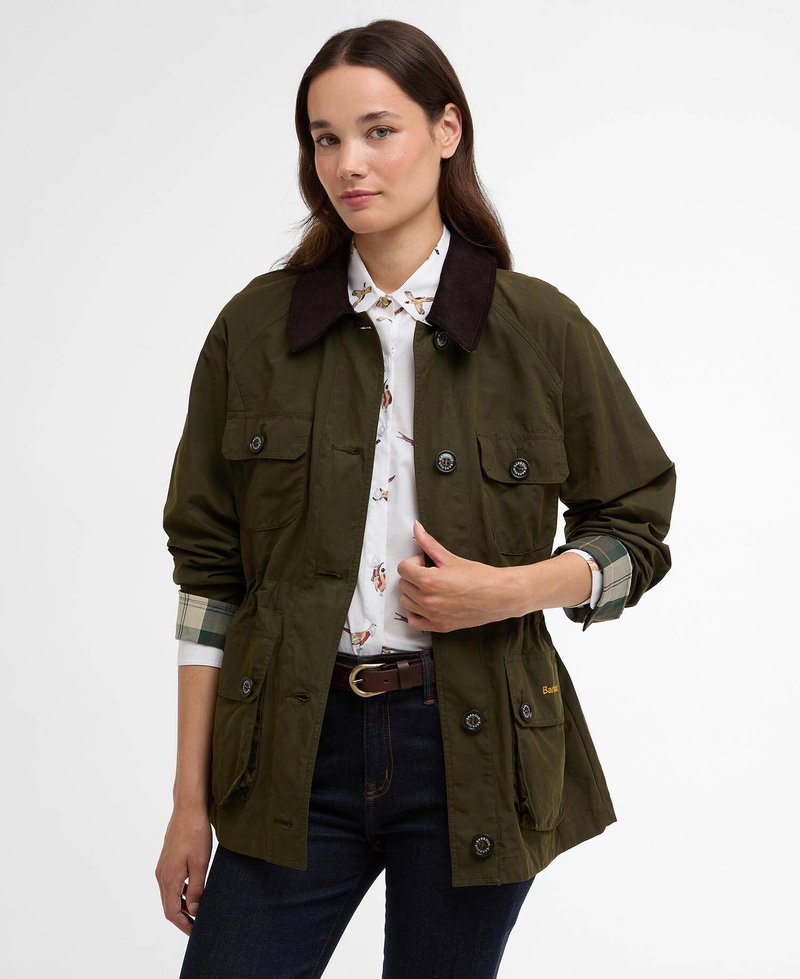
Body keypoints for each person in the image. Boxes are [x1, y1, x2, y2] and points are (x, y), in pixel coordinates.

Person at [154, 18, 676, 979]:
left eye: (378, 131)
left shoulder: (540, 329)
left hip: (475, 747)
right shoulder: (254, 330)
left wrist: (508, 590)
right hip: (291, 745)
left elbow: (636, 532)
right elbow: (209, 577)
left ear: (447, 129)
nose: (347, 164)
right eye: (325, 138)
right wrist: (189, 802)